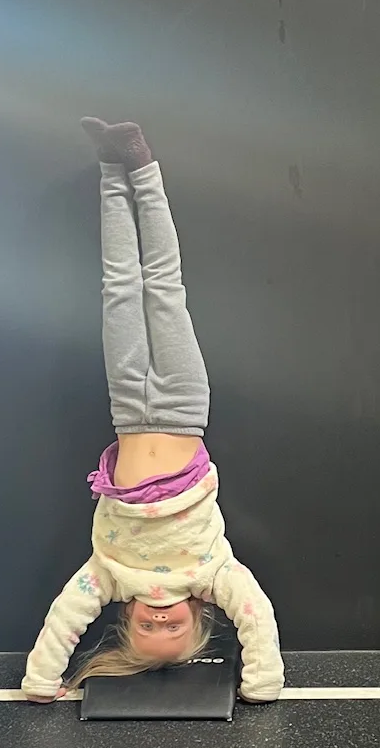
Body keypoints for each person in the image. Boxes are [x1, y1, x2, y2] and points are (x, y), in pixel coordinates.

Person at [22, 119, 283, 702]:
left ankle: (111, 170)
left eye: (147, 627)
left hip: (128, 410)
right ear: (196, 615)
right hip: (183, 407)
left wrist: (42, 681)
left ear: (127, 620)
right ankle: (140, 163)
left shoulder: (106, 577)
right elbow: (257, 619)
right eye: (174, 627)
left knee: (119, 287)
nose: (160, 617)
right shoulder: (214, 574)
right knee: (163, 286)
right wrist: (261, 683)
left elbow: (64, 622)